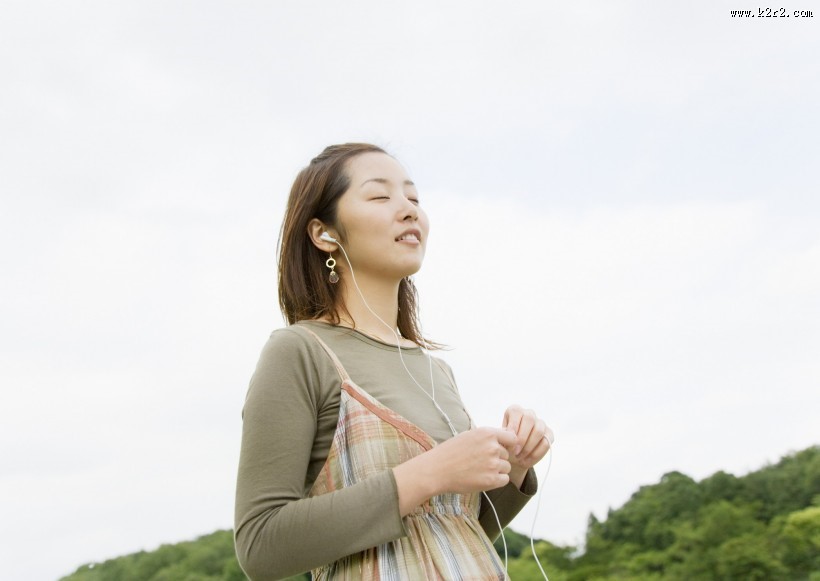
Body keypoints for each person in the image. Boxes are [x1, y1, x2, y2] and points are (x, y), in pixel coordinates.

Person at [234, 143, 553, 580]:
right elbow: (260, 545)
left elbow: (450, 533)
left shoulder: (436, 371)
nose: (409, 210)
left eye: (414, 198)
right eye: (380, 196)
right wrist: (429, 473)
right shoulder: (299, 352)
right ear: (324, 234)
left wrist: (515, 465)